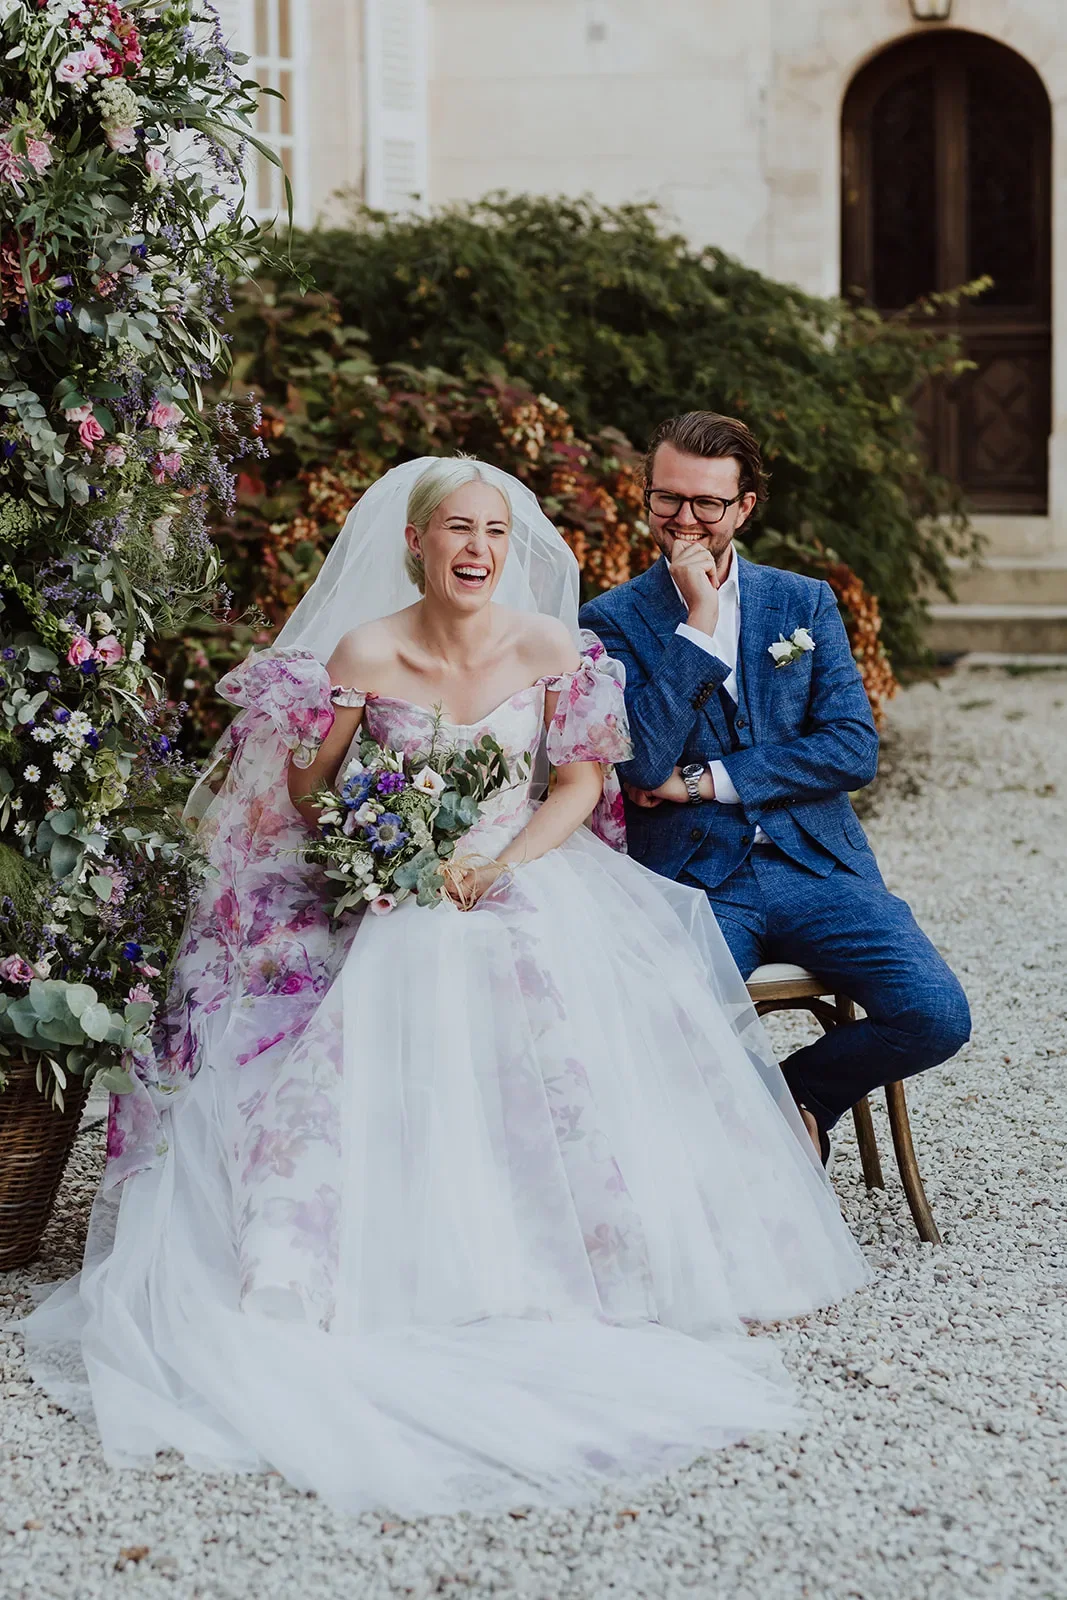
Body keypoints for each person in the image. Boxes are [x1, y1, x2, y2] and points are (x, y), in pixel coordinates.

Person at [19, 457, 868, 1518]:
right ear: (416, 542)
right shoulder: (365, 650)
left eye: (494, 532)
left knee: (531, 977)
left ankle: (577, 1251)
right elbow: (307, 787)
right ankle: (389, 1244)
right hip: (404, 882)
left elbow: (578, 785)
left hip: (529, 870)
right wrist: (383, 843)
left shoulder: (554, 646)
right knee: (413, 952)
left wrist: (502, 863)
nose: (478, 548)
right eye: (458, 529)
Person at [580, 412, 971, 1165]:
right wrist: (697, 624)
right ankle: (726, 1169)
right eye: (668, 498)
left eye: (707, 503)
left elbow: (851, 747)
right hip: (696, 882)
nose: (684, 519)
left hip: (816, 867)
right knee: (672, 1024)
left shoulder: (803, 603)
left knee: (935, 1014)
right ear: (646, 495)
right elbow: (640, 761)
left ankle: (796, 1101)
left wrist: (705, 780)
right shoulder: (609, 620)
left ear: (745, 506)